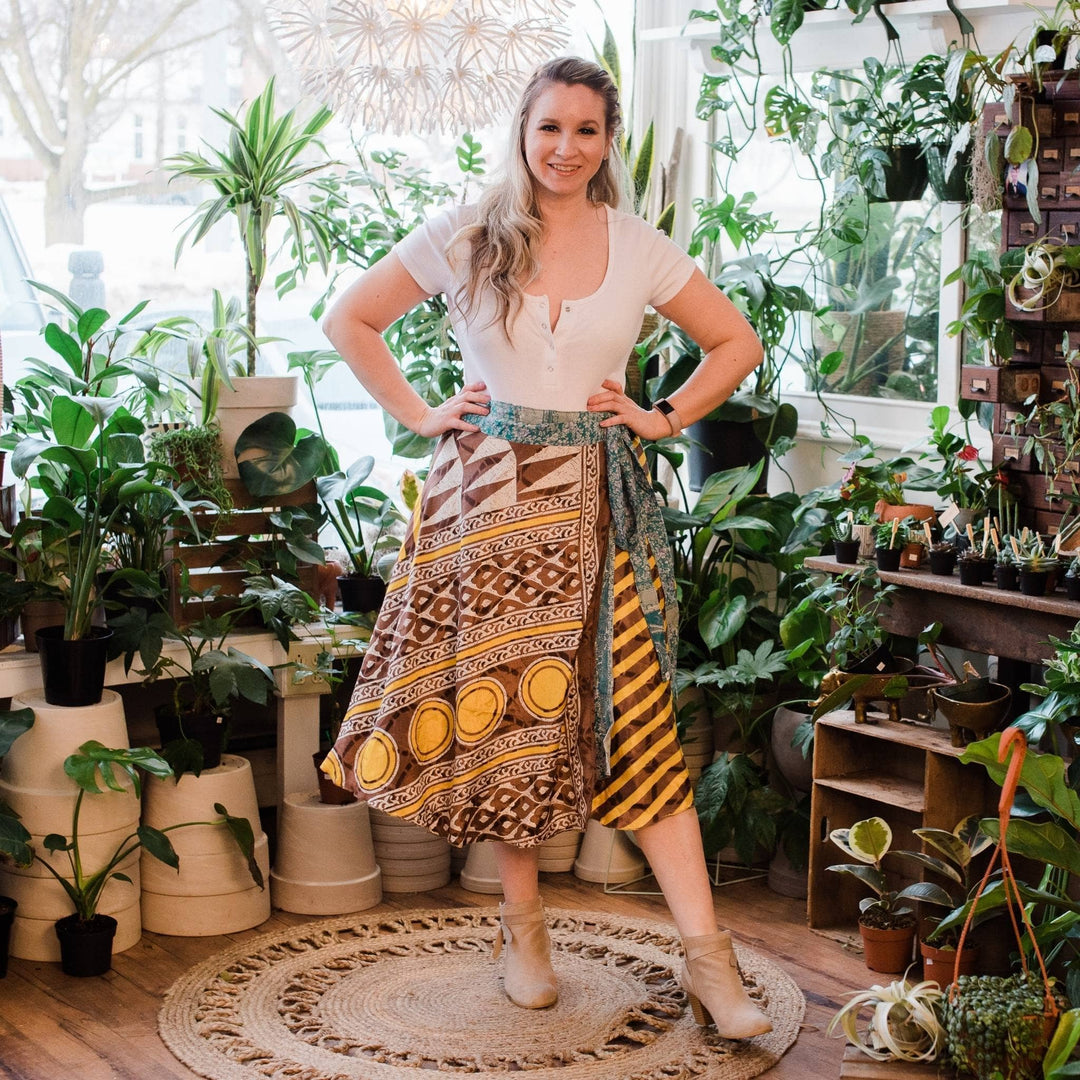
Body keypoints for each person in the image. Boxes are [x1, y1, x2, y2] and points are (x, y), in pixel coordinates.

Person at [321, 56, 771, 1040]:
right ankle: (522, 936)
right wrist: (418, 412)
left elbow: (736, 342)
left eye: (586, 130)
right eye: (550, 127)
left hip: (598, 512)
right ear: (523, 132)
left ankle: (710, 962)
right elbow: (348, 319)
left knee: (640, 724)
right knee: (508, 721)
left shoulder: (638, 245)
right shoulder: (466, 233)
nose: (566, 148)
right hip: (481, 505)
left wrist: (662, 416)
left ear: (608, 143)